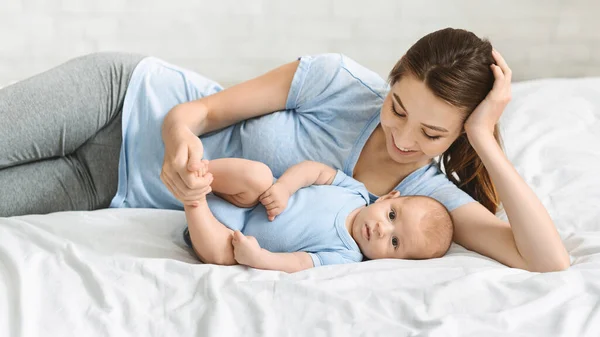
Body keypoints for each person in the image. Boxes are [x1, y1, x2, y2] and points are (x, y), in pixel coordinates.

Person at [0, 27, 570, 272]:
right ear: (392, 79)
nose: (402, 139)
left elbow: (547, 260)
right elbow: (198, 112)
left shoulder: (421, 197)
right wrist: (179, 144)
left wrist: (484, 139)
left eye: (432, 134)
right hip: (122, 98)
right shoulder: (338, 81)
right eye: (398, 108)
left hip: (105, 186)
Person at [181, 158, 454, 272]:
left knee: (223, 255)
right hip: (254, 199)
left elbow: (299, 263)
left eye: (395, 243)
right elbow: (315, 170)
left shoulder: (346, 256)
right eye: (392, 215)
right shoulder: (355, 193)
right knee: (258, 175)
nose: (383, 229)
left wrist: (259, 258)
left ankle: (193, 200)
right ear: (388, 198)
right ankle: (199, 172)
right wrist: (285, 188)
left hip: (235, 237)